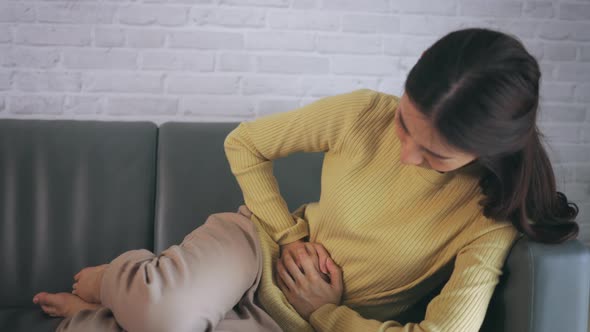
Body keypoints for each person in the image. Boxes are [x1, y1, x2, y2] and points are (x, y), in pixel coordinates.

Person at [33, 27, 579, 332]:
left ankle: (98, 315)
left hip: (299, 325)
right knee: (164, 315)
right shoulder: (362, 113)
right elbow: (245, 143)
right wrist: (290, 237)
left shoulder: (489, 222)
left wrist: (327, 312)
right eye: (404, 124)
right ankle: (119, 279)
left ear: (487, 152)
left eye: (434, 155)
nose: (405, 152)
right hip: (256, 248)